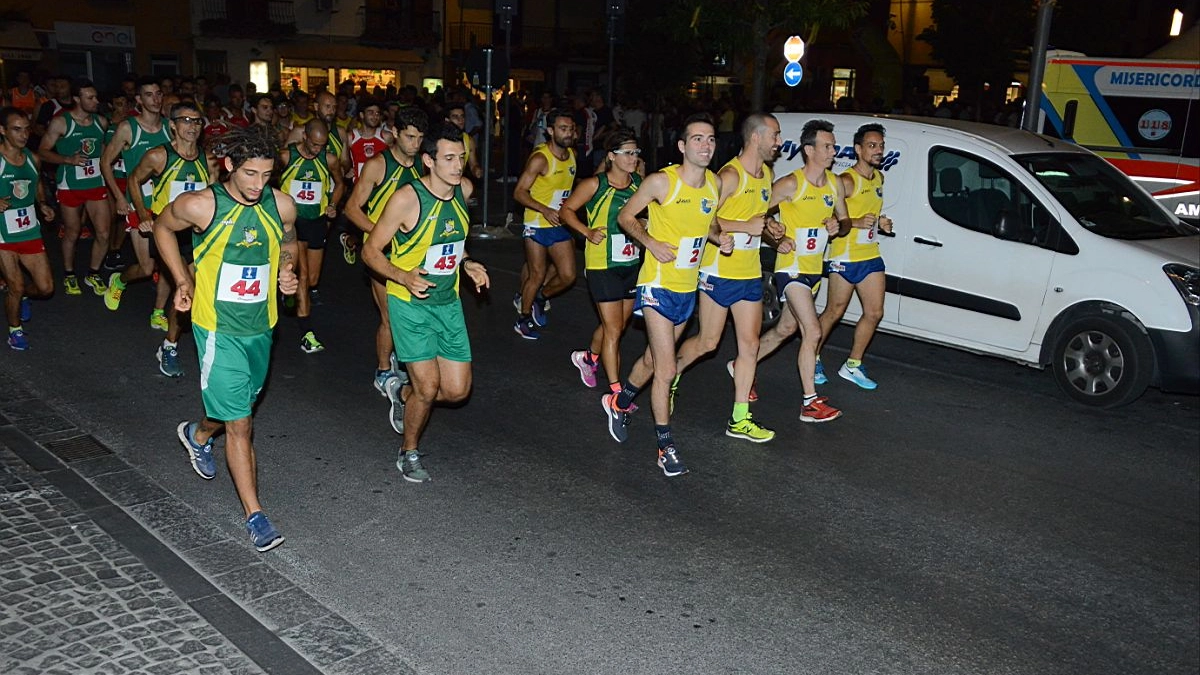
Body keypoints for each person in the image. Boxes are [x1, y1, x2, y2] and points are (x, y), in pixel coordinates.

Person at [155, 124, 299, 553]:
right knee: (241, 423)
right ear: (229, 165)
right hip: (217, 328)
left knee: (234, 407)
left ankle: (198, 435)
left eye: (267, 175)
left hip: (262, 325)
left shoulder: (282, 205)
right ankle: (257, 517)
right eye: (250, 174)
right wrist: (182, 279)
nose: (259, 184)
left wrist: (285, 271)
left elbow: (288, 242)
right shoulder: (201, 205)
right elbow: (162, 229)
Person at [603, 113, 731, 477]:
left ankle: (621, 401)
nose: (705, 146)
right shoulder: (662, 182)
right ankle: (665, 446)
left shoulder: (714, 184)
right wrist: (651, 242)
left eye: (710, 139)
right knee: (667, 367)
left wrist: (719, 237)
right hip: (657, 283)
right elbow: (626, 217)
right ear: (682, 145)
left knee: (650, 359)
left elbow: (710, 222)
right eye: (697, 139)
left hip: (686, 287)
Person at [361, 124, 489, 483]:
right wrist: (402, 276)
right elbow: (370, 251)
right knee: (429, 388)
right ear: (429, 161)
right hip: (410, 303)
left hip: (448, 303)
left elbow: (451, 238)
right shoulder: (407, 199)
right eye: (448, 158)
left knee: (457, 390)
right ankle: (409, 450)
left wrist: (467, 263)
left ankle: (403, 392)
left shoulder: (463, 190)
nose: (457, 165)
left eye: (461, 157)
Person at [668, 113, 783, 443]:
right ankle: (671, 371)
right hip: (718, 271)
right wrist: (744, 227)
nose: (778, 142)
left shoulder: (767, 175)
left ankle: (740, 419)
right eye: (774, 135)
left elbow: (756, 217)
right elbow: (704, 221)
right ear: (756, 138)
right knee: (708, 342)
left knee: (750, 345)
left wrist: (771, 229)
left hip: (748, 272)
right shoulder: (729, 176)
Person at [753, 119, 849, 422]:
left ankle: (742, 366)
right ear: (809, 150)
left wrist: (838, 226)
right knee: (814, 330)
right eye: (827, 146)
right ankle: (810, 402)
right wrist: (774, 237)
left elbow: (845, 222)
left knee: (785, 329)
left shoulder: (834, 184)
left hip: (814, 270)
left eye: (833, 145)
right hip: (790, 269)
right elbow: (755, 215)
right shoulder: (790, 184)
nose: (833, 151)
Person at [119, 102, 220, 377]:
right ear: (172, 125)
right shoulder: (158, 156)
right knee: (185, 286)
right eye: (185, 120)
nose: (192, 126)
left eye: (197, 121)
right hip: (168, 233)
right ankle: (170, 346)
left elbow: (213, 194)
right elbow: (133, 180)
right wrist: (142, 213)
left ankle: (175, 342)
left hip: (197, 234)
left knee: (193, 289)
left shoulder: (208, 159)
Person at [345, 106, 426, 405]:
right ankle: (382, 371)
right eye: (409, 137)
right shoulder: (378, 164)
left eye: (420, 138)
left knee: (416, 314)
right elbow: (352, 208)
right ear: (394, 132)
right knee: (391, 317)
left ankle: (408, 363)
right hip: (381, 253)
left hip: (412, 253)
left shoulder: (422, 165)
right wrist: (382, 236)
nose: (415, 144)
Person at [559, 129, 642, 393]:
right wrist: (586, 232)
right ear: (611, 156)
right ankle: (617, 391)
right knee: (614, 330)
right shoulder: (595, 184)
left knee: (616, 325)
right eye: (627, 153)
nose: (633, 158)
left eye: (636, 153)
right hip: (602, 265)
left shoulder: (640, 184)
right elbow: (566, 211)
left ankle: (588, 358)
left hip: (631, 263)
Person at [816, 123, 894, 389]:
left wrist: (880, 222)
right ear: (858, 149)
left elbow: (870, 212)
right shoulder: (847, 181)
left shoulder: (879, 179)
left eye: (881, 146)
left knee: (874, 312)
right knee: (834, 311)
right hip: (845, 256)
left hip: (870, 254)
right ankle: (812, 357)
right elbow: (827, 215)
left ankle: (853, 365)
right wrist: (856, 221)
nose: (878, 150)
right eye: (872, 146)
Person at [99, 76, 170, 331]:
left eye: (159, 93)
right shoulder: (128, 128)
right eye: (149, 95)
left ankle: (158, 312)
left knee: (167, 264)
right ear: (139, 100)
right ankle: (119, 281)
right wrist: (119, 197)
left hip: (166, 205)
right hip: (137, 203)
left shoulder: (169, 128)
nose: (156, 99)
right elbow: (105, 161)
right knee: (146, 266)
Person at [38, 78, 111, 297]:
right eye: (90, 97)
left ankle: (93, 273)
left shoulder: (101, 122)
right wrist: (68, 160)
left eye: (96, 96)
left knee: (104, 233)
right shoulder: (61, 122)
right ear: (77, 99)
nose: (96, 101)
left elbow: (104, 151)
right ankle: (69, 274)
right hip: (70, 184)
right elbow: (42, 151)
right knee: (72, 232)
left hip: (95, 183)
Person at [279, 118, 344, 353]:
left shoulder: (329, 159)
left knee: (313, 279)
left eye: (322, 145)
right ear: (304, 137)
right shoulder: (286, 156)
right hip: (292, 224)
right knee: (304, 276)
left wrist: (333, 204)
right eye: (314, 144)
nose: (318, 149)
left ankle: (289, 291)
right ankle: (307, 333)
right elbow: (269, 184)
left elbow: (340, 183)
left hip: (316, 222)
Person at [512, 108, 577, 340]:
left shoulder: (571, 155)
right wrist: (544, 209)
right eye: (562, 128)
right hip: (537, 222)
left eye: (570, 128)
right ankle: (524, 318)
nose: (568, 133)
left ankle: (540, 298)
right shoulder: (540, 158)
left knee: (568, 275)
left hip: (559, 223)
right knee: (537, 273)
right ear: (550, 131)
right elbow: (519, 192)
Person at [0, 107, 55, 350]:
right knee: (16, 284)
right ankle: (15, 330)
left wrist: (43, 204)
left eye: (26, 129)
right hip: (3, 233)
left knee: (45, 288)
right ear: (2, 131)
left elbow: (36, 184)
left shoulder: (33, 158)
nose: (23, 135)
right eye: (16, 129)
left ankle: (20, 296)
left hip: (29, 229)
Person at [340, 98, 393, 264]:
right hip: (359, 189)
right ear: (362, 115)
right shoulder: (351, 137)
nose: (375, 116)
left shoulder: (387, 137)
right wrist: (346, 169)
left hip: (380, 190)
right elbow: (344, 160)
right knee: (358, 231)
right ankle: (349, 241)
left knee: (378, 229)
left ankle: (376, 259)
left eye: (377, 113)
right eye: (370, 112)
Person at [446, 103, 482, 181]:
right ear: (447, 120)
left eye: (462, 116)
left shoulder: (468, 140)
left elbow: (473, 164)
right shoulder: (438, 139)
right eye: (455, 117)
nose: (460, 120)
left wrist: (477, 170)